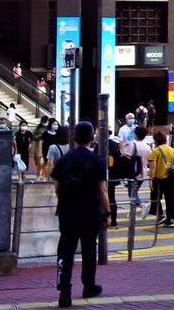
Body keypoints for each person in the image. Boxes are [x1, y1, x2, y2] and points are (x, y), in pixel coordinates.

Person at [51, 120, 108, 308]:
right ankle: (89, 285)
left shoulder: (63, 160)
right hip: (90, 211)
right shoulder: (97, 161)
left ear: (74, 138)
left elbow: (57, 188)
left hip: (68, 211)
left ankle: (64, 290)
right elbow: (102, 191)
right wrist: (107, 213)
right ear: (92, 138)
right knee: (89, 249)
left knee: (66, 250)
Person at [148, 131, 174, 227]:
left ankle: (160, 215)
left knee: (155, 197)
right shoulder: (171, 149)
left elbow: (153, 168)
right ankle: (169, 219)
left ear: (155, 140)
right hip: (171, 177)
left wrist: (150, 180)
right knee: (170, 199)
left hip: (158, 178)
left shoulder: (155, 151)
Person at [123, 125, 151, 209]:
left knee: (132, 193)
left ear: (136, 135)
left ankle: (141, 206)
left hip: (134, 172)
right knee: (134, 192)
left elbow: (128, 157)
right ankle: (133, 212)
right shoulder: (148, 147)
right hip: (143, 173)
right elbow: (150, 159)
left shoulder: (132, 145)